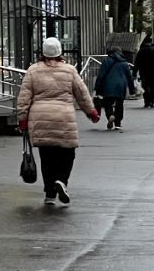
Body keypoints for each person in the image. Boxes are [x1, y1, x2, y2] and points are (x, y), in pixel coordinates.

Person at [17, 37, 99, 206]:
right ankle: (61, 181)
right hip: (64, 117)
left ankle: (49, 194)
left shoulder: (33, 71)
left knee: (46, 157)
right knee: (68, 153)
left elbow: (24, 98)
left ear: (43, 53)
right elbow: (81, 94)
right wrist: (91, 112)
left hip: (40, 119)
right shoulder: (69, 70)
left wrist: (22, 120)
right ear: (60, 52)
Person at [94, 46, 135, 131]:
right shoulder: (124, 63)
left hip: (108, 86)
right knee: (119, 104)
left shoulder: (106, 61)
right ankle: (118, 123)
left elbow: (101, 75)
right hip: (121, 86)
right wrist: (132, 89)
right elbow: (129, 77)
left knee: (107, 103)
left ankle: (110, 115)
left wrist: (97, 87)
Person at [133, 38, 154, 108]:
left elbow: (136, 63)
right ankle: (152, 101)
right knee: (153, 88)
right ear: (151, 43)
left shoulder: (141, 52)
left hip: (144, 73)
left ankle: (146, 101)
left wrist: (134, 73)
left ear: (145, 43)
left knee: (145, 87)